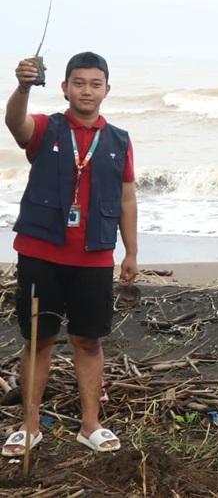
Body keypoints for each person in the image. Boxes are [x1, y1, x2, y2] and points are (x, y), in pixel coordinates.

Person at [2, 52, 137, 457]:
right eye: (79, 82)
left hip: (94, 255)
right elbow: (15, 123)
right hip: (41, 251)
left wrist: (131, 251)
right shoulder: (46, 128)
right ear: (64, 87)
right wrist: (23, 87)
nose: (87, 90)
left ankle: (91, 424)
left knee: (88, 340)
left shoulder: (118, 140)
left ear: (107, 90)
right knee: (38, 339)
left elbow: (128, 198)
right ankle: (29, 425)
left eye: (95, 84)